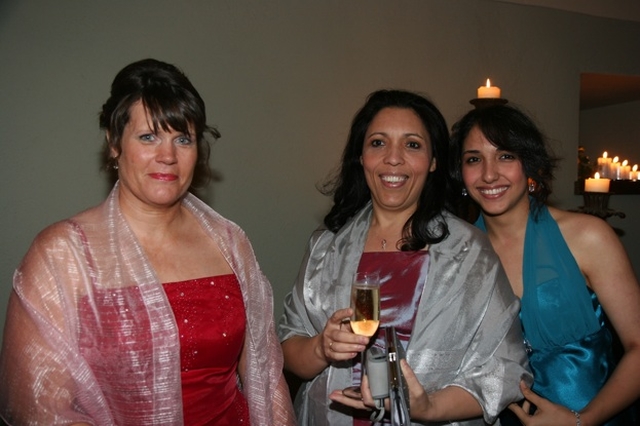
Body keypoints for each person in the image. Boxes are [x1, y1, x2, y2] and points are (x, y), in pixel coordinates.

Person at [0, 58, 295, 425]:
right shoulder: (62, 254)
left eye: (182, 139)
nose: (167, 156)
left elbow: (265, 374)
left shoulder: (230, 242)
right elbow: (41, 408)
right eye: (148, 137)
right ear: (113, 143)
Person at [277, 89, 531, 426]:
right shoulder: (326, 247)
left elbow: (506, 369)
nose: (393, 159)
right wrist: (321, 349)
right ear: (361, 156)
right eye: (378, 143)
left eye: (412, 145)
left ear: (434, 160)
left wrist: (426, 407)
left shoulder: (470, 251)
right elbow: (287, 344)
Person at [449, 104, 640, 426]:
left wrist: (583, 420)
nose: (489, 173)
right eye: (473, 159)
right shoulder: (457, 256)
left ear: (530, 164)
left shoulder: (587, 237)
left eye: (506, 155)